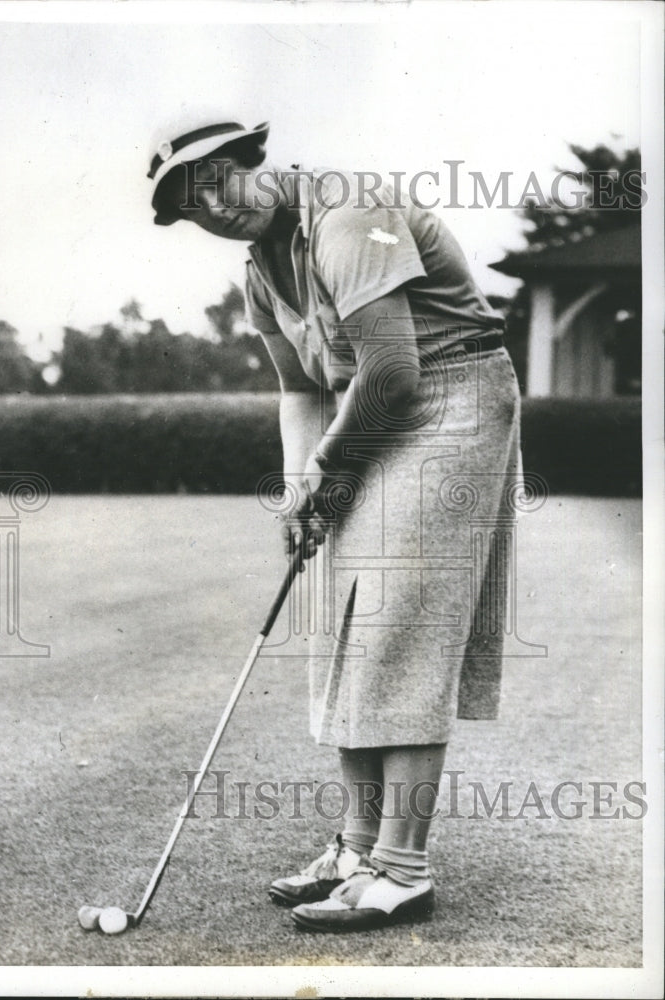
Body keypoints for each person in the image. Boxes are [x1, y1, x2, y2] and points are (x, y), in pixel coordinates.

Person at [146, 114, 521, 932]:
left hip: (452, 401)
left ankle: (401, 869)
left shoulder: (346, 211)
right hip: (368, 413)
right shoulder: (259, 269)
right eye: (192, 204)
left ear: (252, 157)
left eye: (217, 178)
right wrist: (297, 489)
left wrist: (329, 469)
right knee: (349, 628)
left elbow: (390, 369)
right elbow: (302, 390)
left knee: (401, 627)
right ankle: (355, 848)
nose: (215, 204)